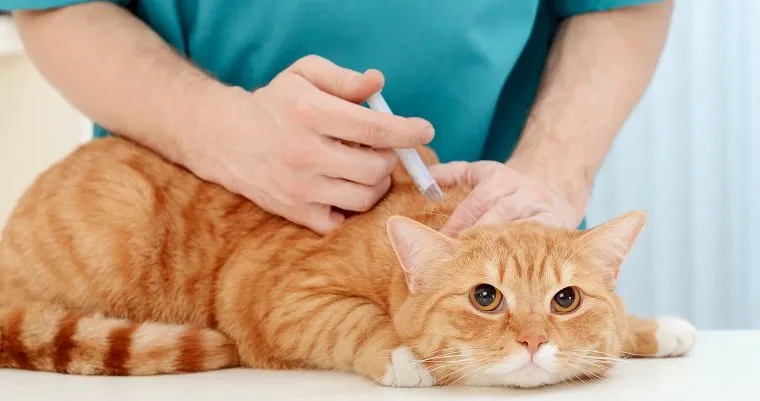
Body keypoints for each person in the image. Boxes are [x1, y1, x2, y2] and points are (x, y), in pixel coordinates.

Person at [7, 0, 672, 235]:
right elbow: (57, 3)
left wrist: (552, 176)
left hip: (491, 253)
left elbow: (624, 4)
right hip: (187, 251)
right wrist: (220, 134)